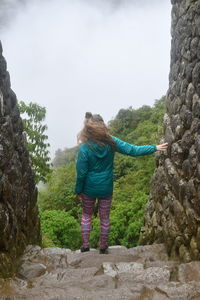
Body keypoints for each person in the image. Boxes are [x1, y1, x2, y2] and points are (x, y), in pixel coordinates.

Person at [75, 112, 168, 254]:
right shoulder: (111, 142)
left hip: (89, 188)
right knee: (104, 218)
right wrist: (154, 147)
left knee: (86, 216)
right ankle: (103, 246)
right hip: (106, 187)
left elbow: (81, 173)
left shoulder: (84, 148)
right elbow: (133, 150)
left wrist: (78, 190)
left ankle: (85, 246)